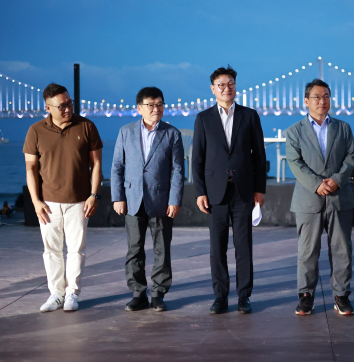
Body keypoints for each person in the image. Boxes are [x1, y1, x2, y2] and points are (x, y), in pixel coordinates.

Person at [192, 65, 266, 314]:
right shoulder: (203, 118)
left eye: (231, 83)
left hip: (243, 192)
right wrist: (200, 192)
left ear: (236, 86)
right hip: (215, 194)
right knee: (217, 249)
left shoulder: (250, 115)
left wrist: (260, 189)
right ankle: (220, 297)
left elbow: (259, 156)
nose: (227, 88)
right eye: (221, 85)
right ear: (212, 89)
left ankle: (244, 297)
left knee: (243, 247)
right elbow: (197, 159)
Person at [24, 83, 102, 312]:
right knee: (51, 251)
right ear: (48, 107)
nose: (68, 109)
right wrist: (36, 201)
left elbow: (97, 164)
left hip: (79, 201)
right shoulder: (35, 130)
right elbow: (30, 168)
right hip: (48, 203)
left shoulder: (86, 126)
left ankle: (72, 294)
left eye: (70, 103)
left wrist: (93, 195)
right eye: (62, 106)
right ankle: (56, 294)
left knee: (76, 250)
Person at [286, 79, 354, 316]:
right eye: (316, 97)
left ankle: (341, 295)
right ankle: (306, 296)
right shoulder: (294, 131)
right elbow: (295, 162)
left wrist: (337, 180)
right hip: (308, 198)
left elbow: (351, 156)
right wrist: (317, 184)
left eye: (326, 96)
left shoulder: (343, 128)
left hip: (339, 196)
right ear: (306, 101)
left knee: (342, 249)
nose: (322, 101)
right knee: (307, 251)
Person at [111, 86, 184, 312]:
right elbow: (117, 166)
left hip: (161, 200)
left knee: (162, 249)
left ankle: (158, 294)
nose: (156, 109)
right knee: (134, 249)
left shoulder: (172, 133)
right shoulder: (125, 131)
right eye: (151, 105)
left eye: (160, 104)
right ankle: (138, 293)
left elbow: (178, 170)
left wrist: (175, 200)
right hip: (132, 199)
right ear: (139, 108)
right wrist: (117, 197)